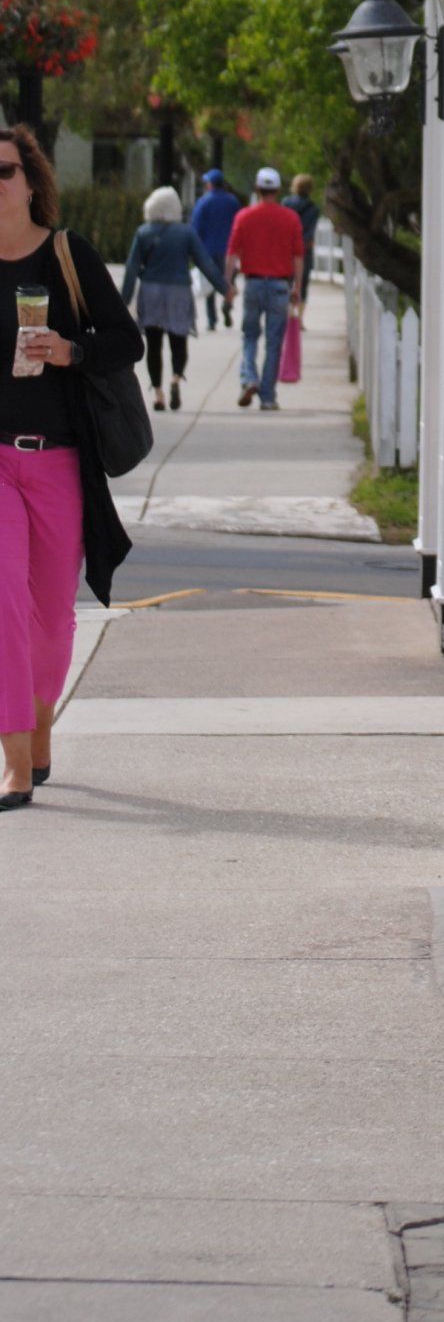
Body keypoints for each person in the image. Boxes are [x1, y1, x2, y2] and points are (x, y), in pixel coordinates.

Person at [0, 123, 142, 809]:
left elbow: (127, 339)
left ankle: (40, 722)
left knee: (53, 618)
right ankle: (16, 763)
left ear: (30, 181)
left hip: (56, 461)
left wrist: (69, 350)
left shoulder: (66, 254)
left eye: (3, 171)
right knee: (4, 607)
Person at [119, 186, 227, 415]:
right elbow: (205, 262)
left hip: (151, 291)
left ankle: (157, 392)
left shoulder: (143, 232)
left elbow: (131, 269)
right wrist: (224, 288)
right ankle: (176, 378)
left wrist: (122, 300)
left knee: (154, 344)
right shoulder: (186, 233)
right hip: (179, 291)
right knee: (179, 340)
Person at [227, 167, 304, 411]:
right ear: (278, 190)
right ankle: (268, 397)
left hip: (253, 283)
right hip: (280, 286)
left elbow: (232, 254)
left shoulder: (244, 216)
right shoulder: (291, 218)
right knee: (273, 342)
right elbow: (298, 256)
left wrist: (228, 283)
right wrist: (297, 286)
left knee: (250, 335)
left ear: (257, 189)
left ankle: (249, 377)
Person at [189, 168, 240, 328]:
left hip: (208, 248)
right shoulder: (233, 201)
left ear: (210, 184)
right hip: (229, 250)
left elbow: (195, 228)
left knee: (210, 283)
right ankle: (227, 304)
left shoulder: (203, 202)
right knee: (228, 280)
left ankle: (212, 320)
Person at [286, 173, 321, 307]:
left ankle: (288, 314)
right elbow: (310, 231)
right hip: (305, 248)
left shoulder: (286, 203)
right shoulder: (314, 208)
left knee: (286, 282)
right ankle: (298, 319)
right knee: (303, 283)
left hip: (287, 249)